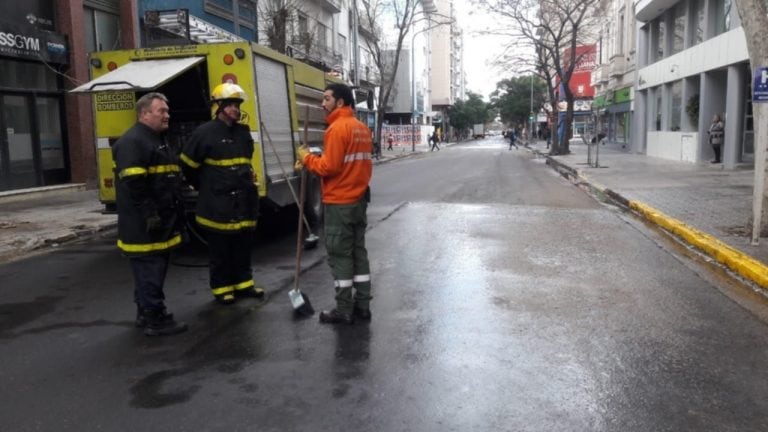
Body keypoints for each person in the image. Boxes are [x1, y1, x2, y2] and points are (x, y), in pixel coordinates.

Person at [295, 83, 373, 324]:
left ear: (340, 102)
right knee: (358, 254)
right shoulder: (361, 128)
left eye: (326, 98)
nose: (322, 103)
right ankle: (362, 306)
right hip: (358, 200)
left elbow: (329, 167)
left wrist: (307, 158)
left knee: (340, 256)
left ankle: (343, 310)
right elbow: (346, 163)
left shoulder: (336, 129)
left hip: (339, 202)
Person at [112, 92, 188, 336]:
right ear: (144, 114)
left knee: (152, 271)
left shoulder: (157, 140)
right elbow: (135, 185)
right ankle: (155, 318)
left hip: (160, 221)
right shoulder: (133, 142)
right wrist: (150, 215)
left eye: (167, 111)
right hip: (144, 226)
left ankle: (145, 312)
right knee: (149, 272)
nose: (167, 115)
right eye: (161, 111)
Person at [180, 83, 262, 305]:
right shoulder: (204, 134)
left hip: (243, 202)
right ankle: (222, 288)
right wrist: (205, 186)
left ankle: (244, 284)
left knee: (242, 247)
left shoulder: (243, 133)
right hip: (217, 203)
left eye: (237, 105)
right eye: (231, 105)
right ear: (219, 107)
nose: (236, 109)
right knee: (221, 250)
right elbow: (187, 166)